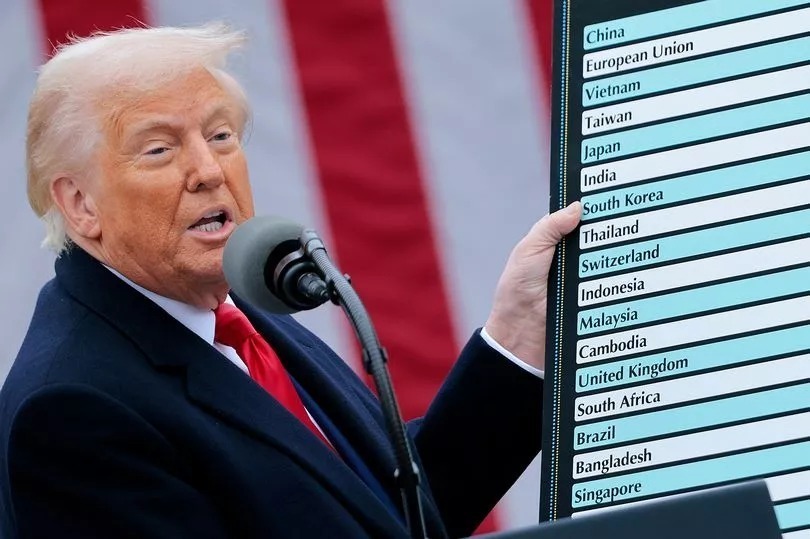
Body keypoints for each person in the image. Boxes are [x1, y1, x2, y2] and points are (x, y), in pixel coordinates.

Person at [0, 24, 580, 538]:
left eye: (221, 135)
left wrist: (517, 337)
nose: (208, 170)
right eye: (159, 149)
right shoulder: (71, 414)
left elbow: (390, 511)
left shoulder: (236, 308)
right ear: (79, 205)